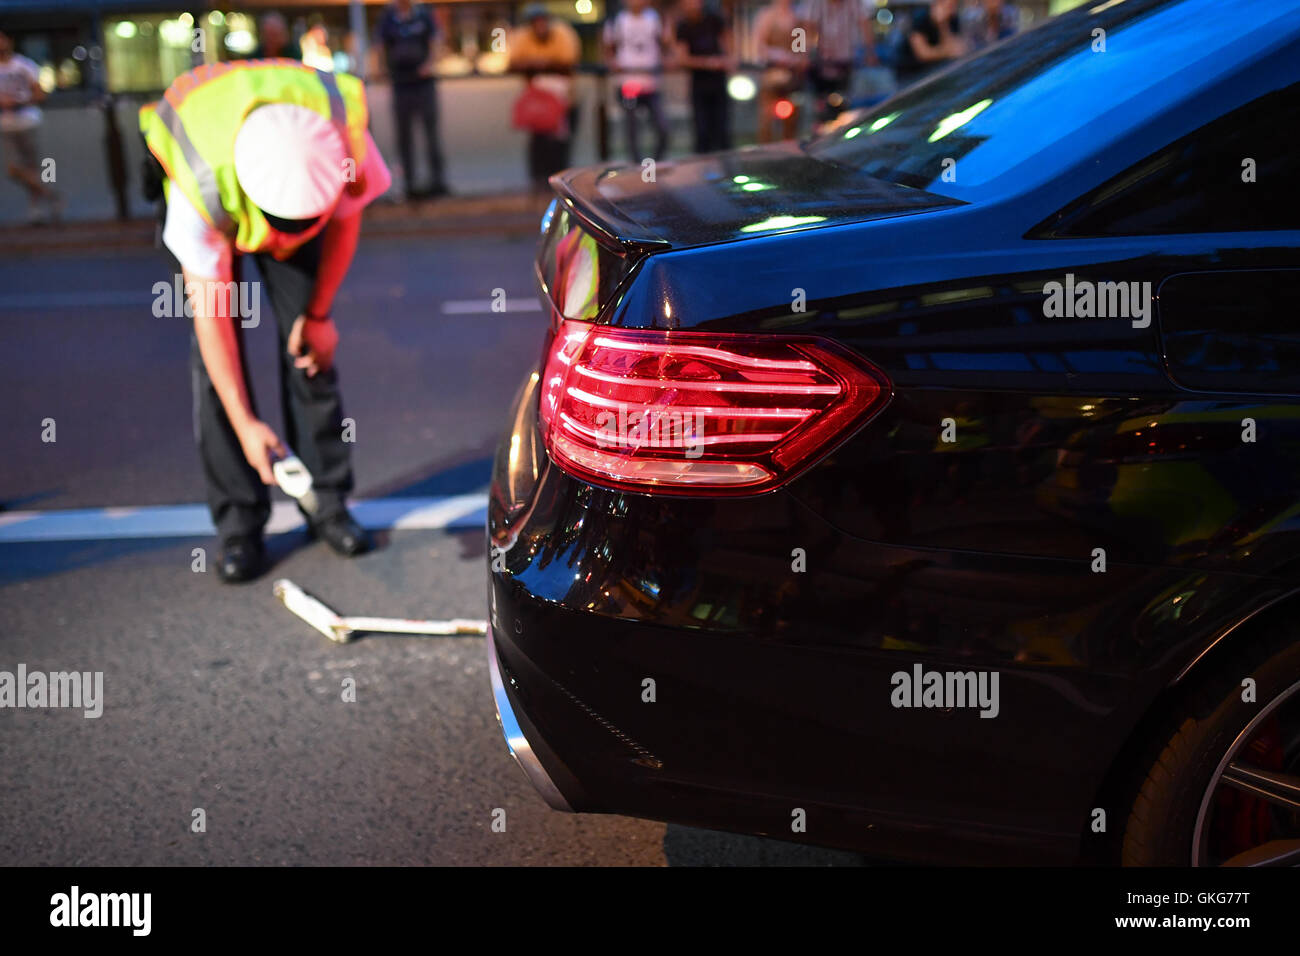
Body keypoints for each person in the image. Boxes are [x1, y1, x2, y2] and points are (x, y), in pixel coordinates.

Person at [139, 59, 391, 582]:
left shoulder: (342, 143)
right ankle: (239, 524)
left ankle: (326, 501)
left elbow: (345, 223)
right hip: (209, 170)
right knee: (215, 370)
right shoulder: (201, 187)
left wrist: (319, 315)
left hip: (287, 168)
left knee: (310, 349)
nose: (283, 241)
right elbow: (214, 317)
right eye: (281, 229)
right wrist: (247, 422)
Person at [378, 0, 449, 200]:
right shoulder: (388, 17)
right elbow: (380, 46)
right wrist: (382, 68)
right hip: (401, 83)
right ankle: (409, 184)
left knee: (431, 134)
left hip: (423, 83)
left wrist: (430, 64)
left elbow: (435, 41)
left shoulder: (423, 14)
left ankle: (437, 182)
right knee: (404, 137)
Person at [509, 4, 581, 196]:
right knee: (538, 145)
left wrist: (540, 62)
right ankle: (539, 184)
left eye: (543, 20)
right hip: (538, 104)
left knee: (561, 144)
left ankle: (561, 185)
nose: (540, 25)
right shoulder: (522, 37)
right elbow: (512, 63)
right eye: (535, 22)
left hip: (565, 100)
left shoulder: (563, 33)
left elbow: (567, 61)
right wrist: (539, 63)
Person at [0, 30, 62, 223]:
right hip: (6, 125)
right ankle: (51, 194)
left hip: (28, 121)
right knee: (14, 169)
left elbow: (41, 94)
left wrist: (19, 102)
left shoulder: (24, 65)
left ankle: (37, 209)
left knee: (41, 165)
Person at [603, 0, 669, 163]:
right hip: (628, 83)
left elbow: (665, 45)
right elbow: (608, 47)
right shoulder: (617, 19)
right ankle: (637, 166)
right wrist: (613, 62)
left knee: (662, 128)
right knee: (632, 130)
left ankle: (654, 164)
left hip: (650, 83)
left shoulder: (654, 18)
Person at [801, 0, 876, 122]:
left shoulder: (854, 3)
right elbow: (806, 29)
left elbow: (865, 25)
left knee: (846, 105)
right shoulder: (815, 4)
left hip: (846, 63)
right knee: (819, 105)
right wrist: (804, 56)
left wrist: (870, 53)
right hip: (821, 64)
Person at [672, 0, 732, 154]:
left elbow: (729, 46)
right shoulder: (683, 26)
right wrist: (707, 63)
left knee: (722, 131)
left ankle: (726, 170)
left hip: (718, 83)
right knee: (702, 131)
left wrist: (727, 61)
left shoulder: (714, 19)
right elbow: (682, 58)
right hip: (699, 84)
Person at [752, 0, 803, 142]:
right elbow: (759, 46)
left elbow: (800, 47)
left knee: (792, 120)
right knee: (766, 120)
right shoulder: (766, 15)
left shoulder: (797, 16)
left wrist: (796, 58)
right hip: (771, 74)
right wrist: (777, 55)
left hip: (791, 76)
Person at [895, 0, 966, 86]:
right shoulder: (920, 19)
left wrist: (943, 24)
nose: (953, 9)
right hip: (911, 77)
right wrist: (948, 52)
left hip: (937, 73)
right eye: (950, 5)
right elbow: (923, 54)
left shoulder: (952, 20)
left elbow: (954, 47)